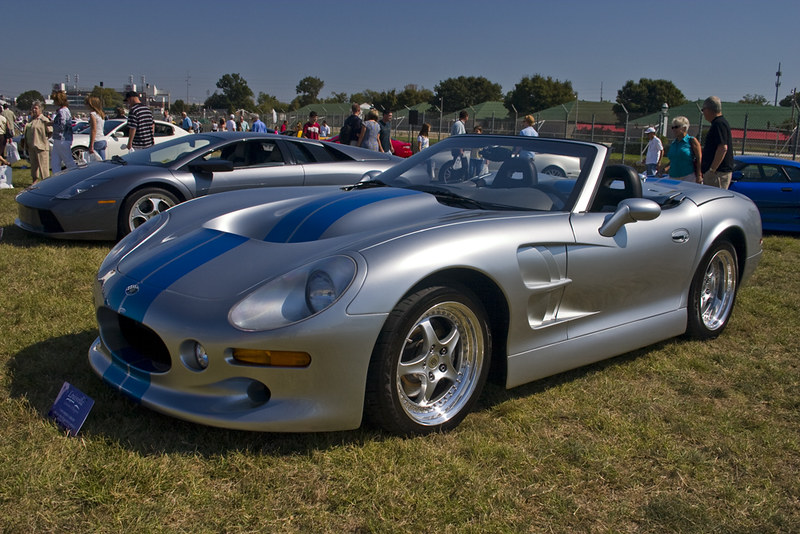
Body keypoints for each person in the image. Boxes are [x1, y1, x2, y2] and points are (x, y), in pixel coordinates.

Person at [701, 96, 734, 189]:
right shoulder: (718, 123)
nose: (703, 113)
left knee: (715, 200)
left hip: (718, 174)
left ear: (708, 109)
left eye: (703, 110)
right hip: (716, 172)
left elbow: (722, 148)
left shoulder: (719, 124)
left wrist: (712, 170)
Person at [663, 116, 702, 183]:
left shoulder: (692, 141)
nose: (674, 130)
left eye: (676, 127)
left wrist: (699, 175)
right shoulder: (674, 143)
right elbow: (673, 159)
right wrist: (664, 169)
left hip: (688, 177)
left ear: (684, 128)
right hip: (672, 177)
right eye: (672, 127)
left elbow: (699, 158)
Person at [21, 101, 52, 183]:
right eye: (33, 108)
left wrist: (44, 139)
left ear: (40, 109)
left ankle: (46, 182)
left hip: (41, 146)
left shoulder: (44, 120)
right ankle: (34, 180)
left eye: (36, 108)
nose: (34, 110)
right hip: (31, 146)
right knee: (34, 166)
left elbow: (50, 132)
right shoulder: (31, 120)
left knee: (43, 167)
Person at [50, 90, 77, 174]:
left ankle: (75, 175)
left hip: (62, 138)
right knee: (55, 161)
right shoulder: (65, 110)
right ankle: (56, 177)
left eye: (55, 100)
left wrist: (53, 124)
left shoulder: (62, 111)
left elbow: (62, 125)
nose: (54, 102)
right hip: (60, 139)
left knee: (68, 160)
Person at [85, 95, 107, 161]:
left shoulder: (93, 114)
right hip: (103, 139)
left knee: (95, 162)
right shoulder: (101, 114)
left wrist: (91, 145)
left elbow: (93, 129)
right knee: (102, 161)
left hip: (96, 140)